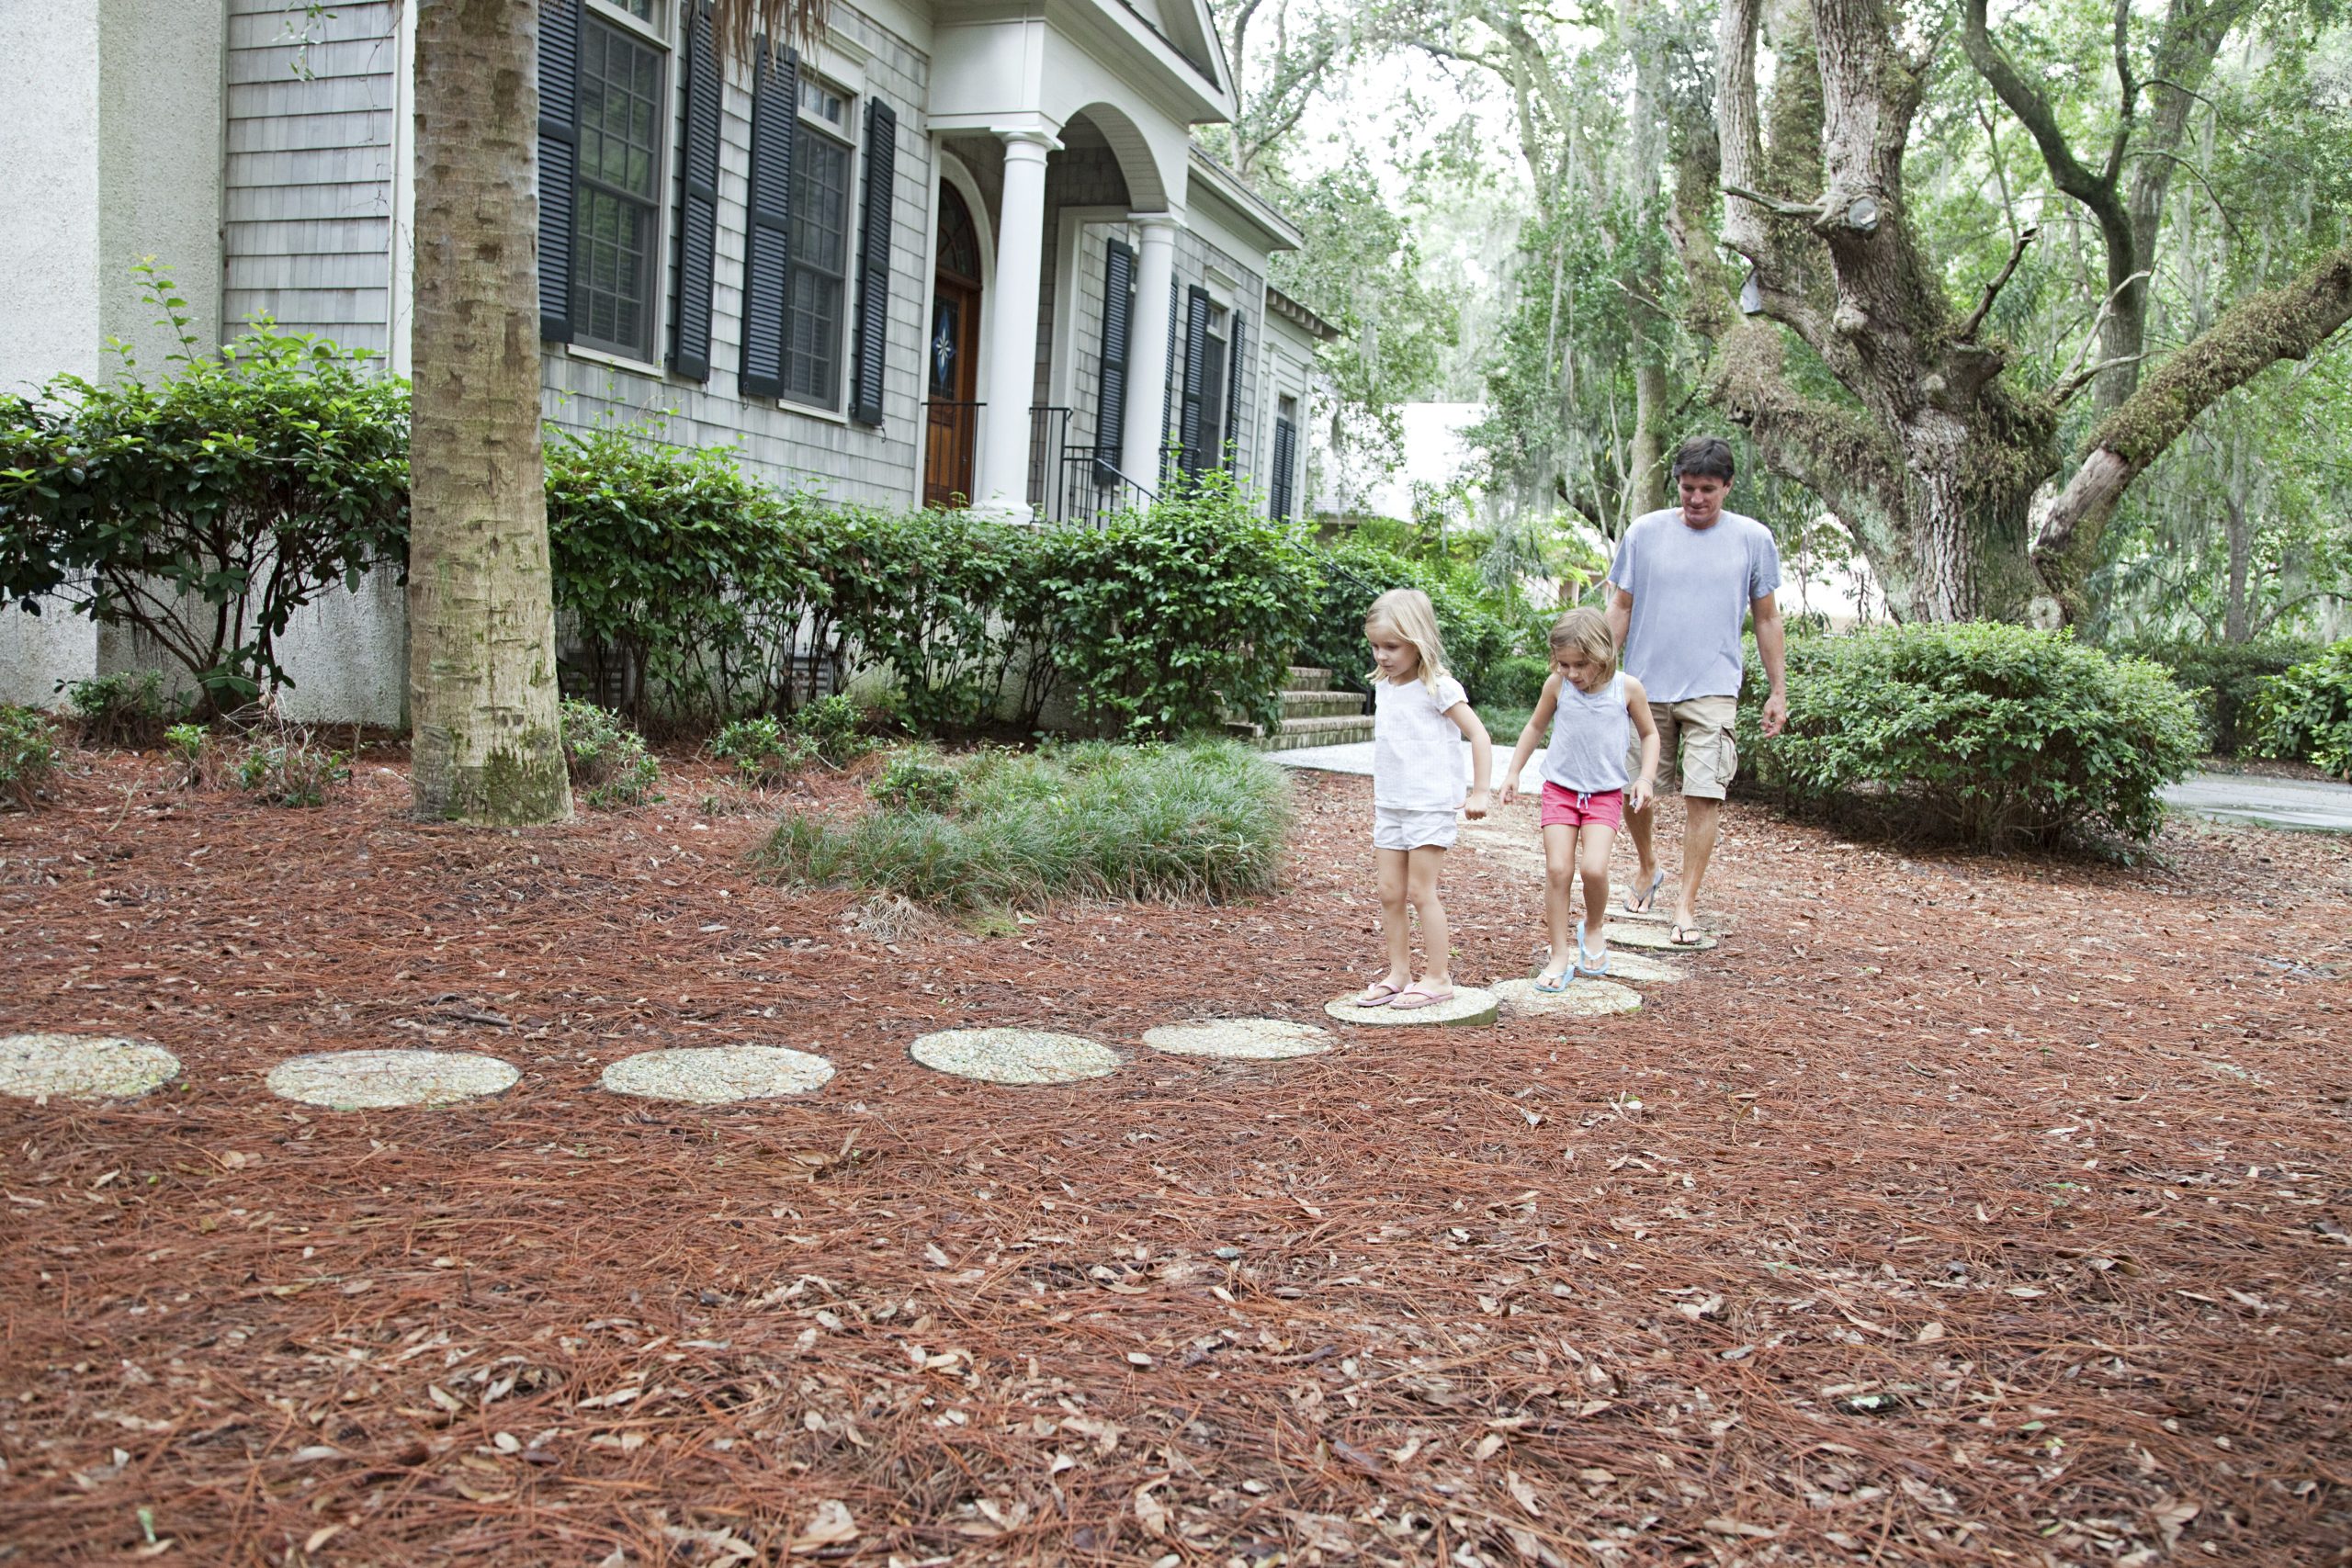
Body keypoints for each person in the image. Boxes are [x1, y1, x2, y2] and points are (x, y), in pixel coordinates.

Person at [1607, 436, 1788, 947]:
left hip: (1713, 687)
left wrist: (1778, 691)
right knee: (1630, 790)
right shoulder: (1645, 532)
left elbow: (1767, 617)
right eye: (1688, 488)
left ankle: (1685, 905)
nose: (1697, 499)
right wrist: (1598, 674)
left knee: (1704, 794)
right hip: (1644, 686)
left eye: (1708, 489)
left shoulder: (1753, 539)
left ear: (1728, 486)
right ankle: (1648, 867)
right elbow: (1620, 607)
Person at [1498, 608, 1661, 989]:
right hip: (1560, 789)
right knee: (1558, 870)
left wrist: (1646, 779)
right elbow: (1536, 725)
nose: (1572, 673)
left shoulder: (1628, 689)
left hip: (1604, 793)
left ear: (1603, 653)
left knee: (1593, 869)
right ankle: (1558, 955)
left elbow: (1650, 735)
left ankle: (1592, 926)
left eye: (1580, 664)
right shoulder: (1557, 686)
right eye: (1565, 663)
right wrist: (1512, 771)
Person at [1355, 588, 1493, 1010]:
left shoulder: (1439, 687)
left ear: (1418, 641)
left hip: (1430, 805)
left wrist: (1481, 790)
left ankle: (1438, 978)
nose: (1382, 655)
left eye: (1392, 646)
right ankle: (1399, 973)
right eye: (1375, 646)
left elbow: (1480, 735)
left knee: (1420, 891)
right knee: (1389, 891)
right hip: (1392, 805)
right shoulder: (1385, 686)